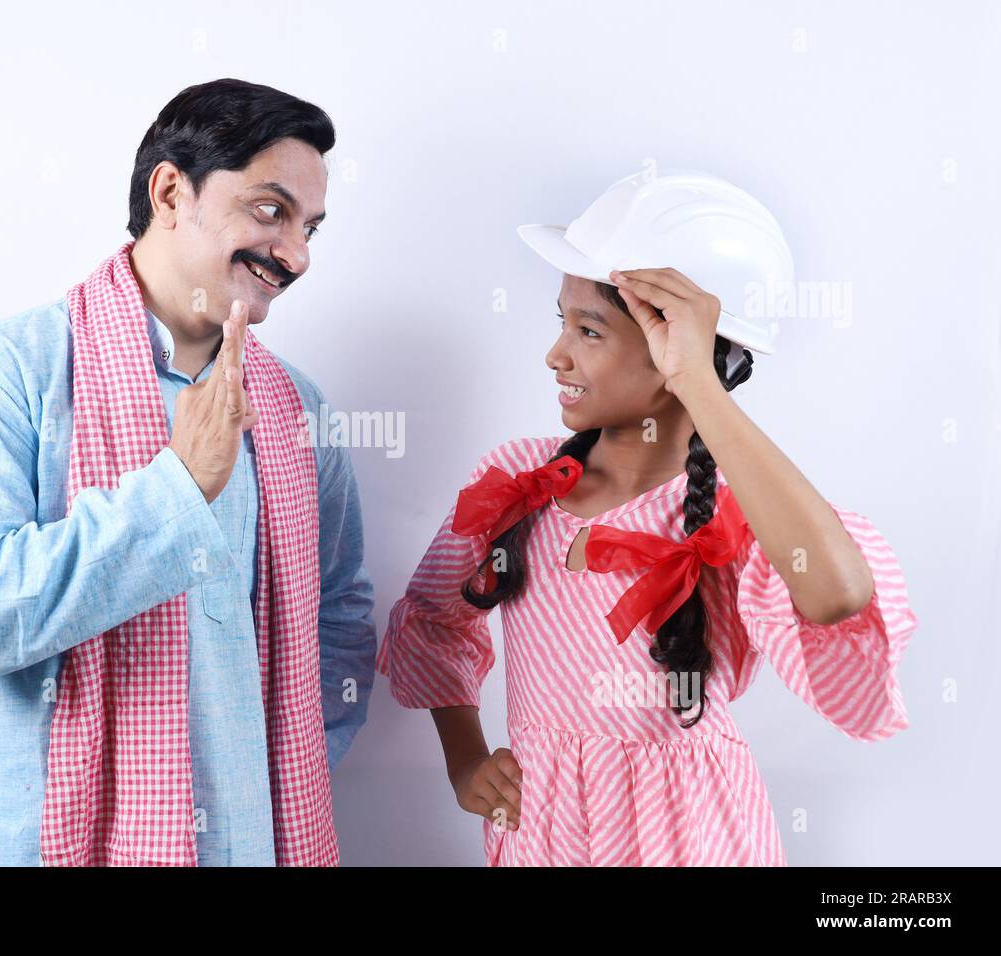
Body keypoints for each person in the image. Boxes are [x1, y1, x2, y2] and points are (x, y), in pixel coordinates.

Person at [0, 78, 376, 867]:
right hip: (50, 843)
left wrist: (278, 766)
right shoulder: (13, 373)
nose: (297, 255)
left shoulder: (296, 408)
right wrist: (174, 492)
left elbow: (343, 616)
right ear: (170, 191)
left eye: (310, 228)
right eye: (270, 211)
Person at [376, 170, 918, 866]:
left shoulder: (737, 514)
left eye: (589, 330)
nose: (556, 353)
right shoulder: (522, 481)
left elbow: (840, 593)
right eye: (561, 322)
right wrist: (464, 761)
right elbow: (434, 621)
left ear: (676, 350)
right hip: (544, 831)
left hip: (693, 837)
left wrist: (698, 380)